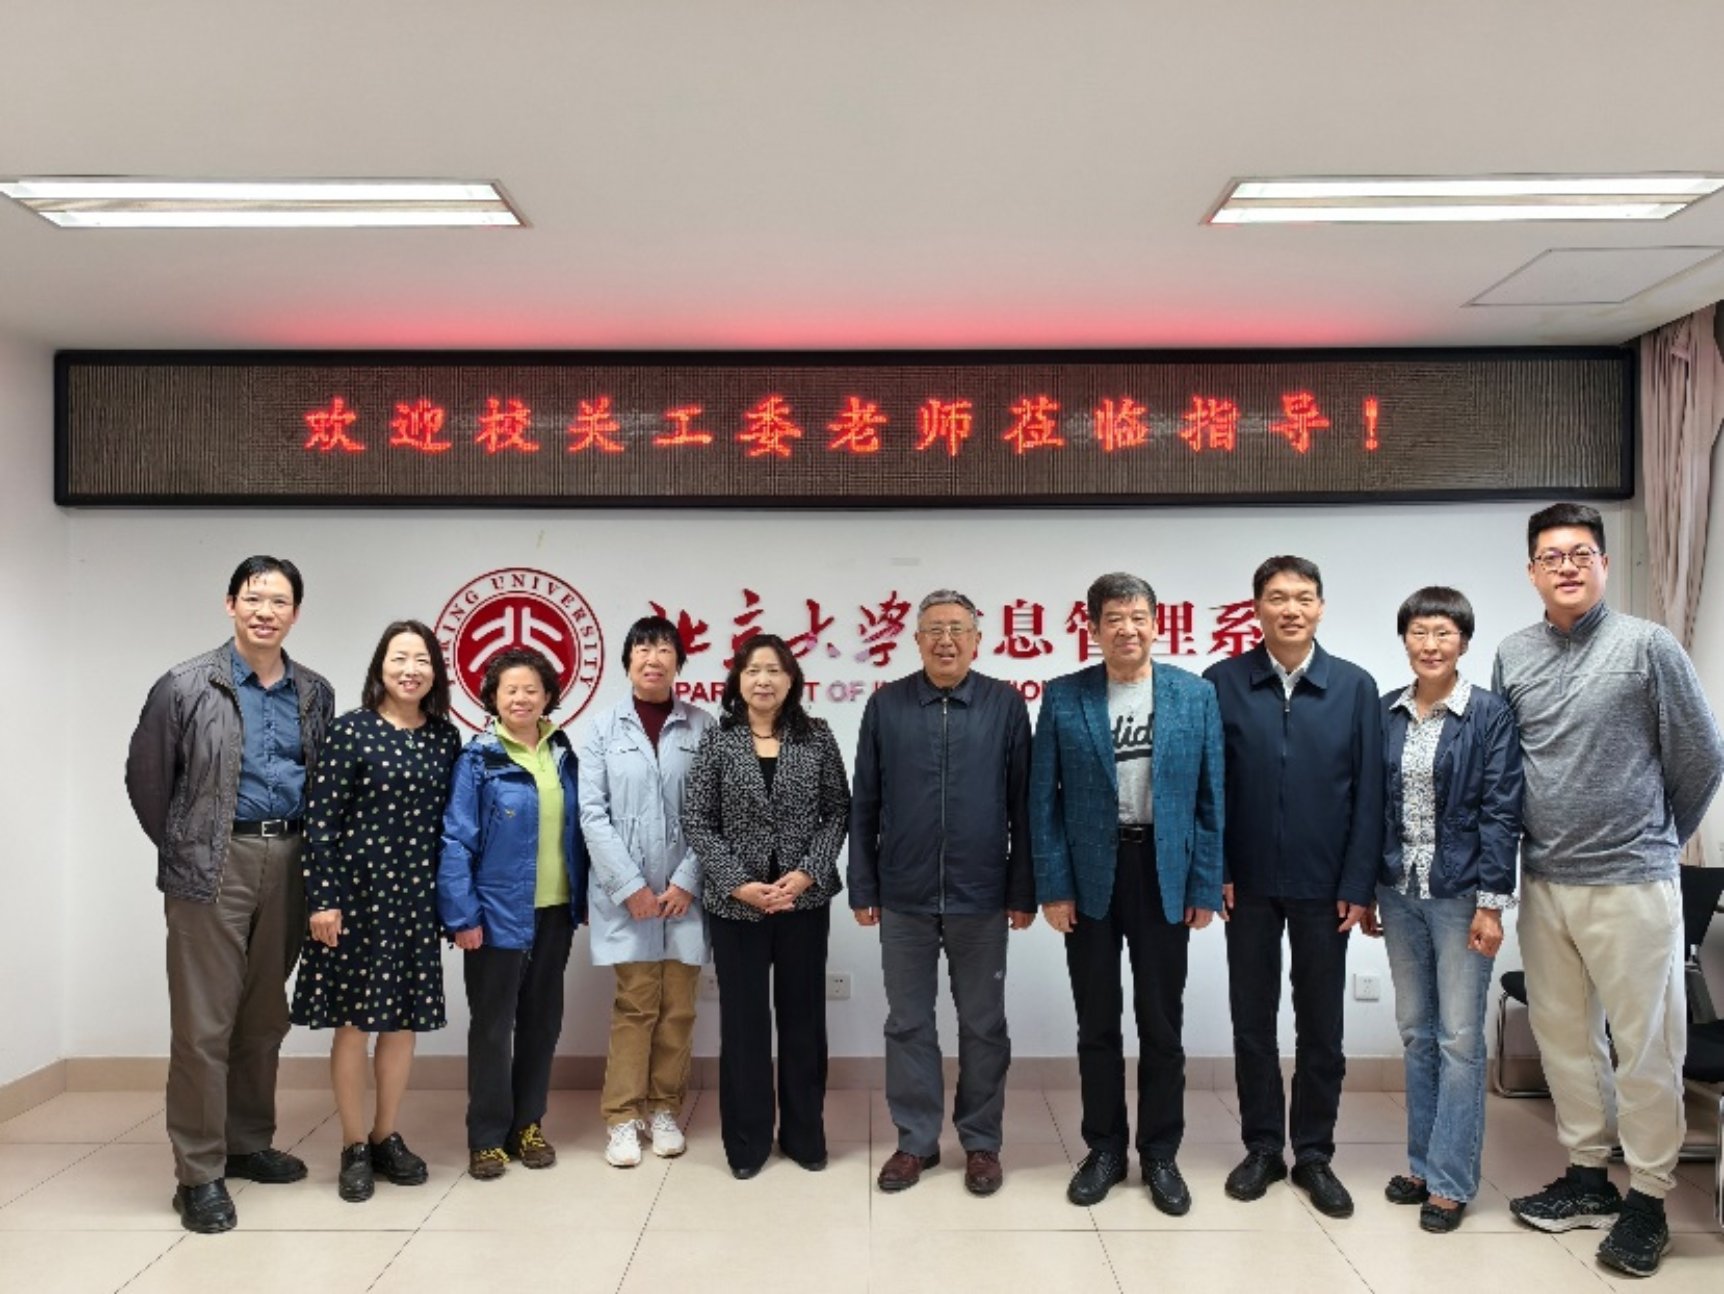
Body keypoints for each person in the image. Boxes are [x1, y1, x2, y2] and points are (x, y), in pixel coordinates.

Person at [1493, 503, 1724, 1277]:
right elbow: (1507, 768)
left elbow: (1701, 756)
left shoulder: (1647, 646)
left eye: (1580, 553)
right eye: (1551, 556)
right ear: (1532, 571)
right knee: (1564, 1039)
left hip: (1632, 883)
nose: (1566, 566)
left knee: (1647, 1045)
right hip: (1545, 881)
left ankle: (1649, 1199)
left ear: (1602, 562)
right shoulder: (1513, 654)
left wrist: (1656, 836)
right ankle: (1588, 1177)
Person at [125, 556, 335, 1234]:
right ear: (230, 605)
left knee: (264, 1014)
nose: (265, 611)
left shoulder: (314, 691)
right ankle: (198, 1172)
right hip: (213, 865)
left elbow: (323, 783)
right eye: (253, 598)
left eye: (279, 601)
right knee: (203, 1024)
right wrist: (190, 844)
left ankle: (247, 1142)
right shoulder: (185, 685)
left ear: (295, 613)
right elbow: (147, 780)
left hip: (292, 859)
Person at [1031, 572, 1224, 1215]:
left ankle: (1161, 1153)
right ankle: (1105, 1149)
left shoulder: (1194, 695)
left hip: (1163, 873)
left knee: (1162, 1023)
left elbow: (1210, 799)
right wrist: (1053, 886)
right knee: (1097, 1021)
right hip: (1090, 874)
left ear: (1156, 624)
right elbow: (1043, 803)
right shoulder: (1064, 696)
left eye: (1138, 616)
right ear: (1093, 628)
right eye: (1114, 618)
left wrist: (1203, 884)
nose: (1127, 628)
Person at [1202, 555, 1383, 1220]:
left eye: (1304, 597)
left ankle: (1313, 1153)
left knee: (1321, 1028)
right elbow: (1208, 787)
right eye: (1278, 597)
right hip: (1245, 883)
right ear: (1256, 608)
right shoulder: (1221, 683)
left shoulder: (1355, 687)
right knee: (1252, 1023)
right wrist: (1216, 868)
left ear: (1321, 607)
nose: (1291, 609)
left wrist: (1358, 880)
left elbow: (1370, 793)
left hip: (1325, 886)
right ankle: (1261, 1149)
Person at [849, 589, 1034, 1197]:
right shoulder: (888, 706)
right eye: (934, 630)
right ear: (917, 640)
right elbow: (865, 802)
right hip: (904, 894)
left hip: (982, 894)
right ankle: (916, 1141)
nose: (946, 640)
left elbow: (1024, 805)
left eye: (957, 629)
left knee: (984, 1024)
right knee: (908, 1022)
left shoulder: (1005, 705)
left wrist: (1022, 888)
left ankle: (981, 1142)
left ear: (977, 640)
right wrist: (863, 884)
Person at [1367, 588, 1522, 1233]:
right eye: (1419, 633)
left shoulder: (1488, 714)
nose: (1430, 645)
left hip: (1462, 897)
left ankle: (1452, 1181)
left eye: (1444, 633)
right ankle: (1421, 1165)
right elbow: (1370, 806)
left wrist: (1492, 904)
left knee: (1459, 1038)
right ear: (1404, 639)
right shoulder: (1385, 712)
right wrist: (1367, 886)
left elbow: (1502, 809)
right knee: (1416, 1030)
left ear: (1464, 642)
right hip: (1398, 891)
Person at [290, 620, 462, 1202]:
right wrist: (324, 899)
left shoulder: (445, 738)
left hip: (415, 899)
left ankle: (386, 1135)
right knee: (354, 1024)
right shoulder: (351, 732)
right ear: (380, 667)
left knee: (402, 1023)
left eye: (422, 659)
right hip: (356, 900)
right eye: (399, 658)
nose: (410, 669)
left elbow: (450, 825)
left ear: (435, 671)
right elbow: (320, 823)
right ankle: (353, 1144)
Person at [683, 634, 851, 1179]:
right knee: (744, 1025)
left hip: (804, 902)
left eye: (775, 670)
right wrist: (738, 883)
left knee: (804, 1021)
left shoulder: (817, 736)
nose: (763, 680)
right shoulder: (718, 739)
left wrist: (805, 874)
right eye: (753, 670)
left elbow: (838, 811)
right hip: (737, 908)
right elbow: (697, 820)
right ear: (738, 680)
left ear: (791, 679)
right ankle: (747, 1142)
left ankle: (804, 1136)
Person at [438, 646, 588, 1181]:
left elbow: (579, 831)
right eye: (510, 690)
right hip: (494, 915)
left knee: (542, 1023)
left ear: (548, 697)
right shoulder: (478, 760)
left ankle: (528, 1125)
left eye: (531, 689)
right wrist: (462, 916)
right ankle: (486, 1137)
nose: (521, 698)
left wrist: (585, 898)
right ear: (493, 698)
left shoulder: (562, 754)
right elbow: (455, 840)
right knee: (493, 1028)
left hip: (554, 911)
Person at [579, 616, 716, 1168]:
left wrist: (687, 881)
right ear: (628, 661)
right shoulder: (602, 728)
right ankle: (621, 1118)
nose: (652, 658)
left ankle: (663, 1110)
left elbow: (713, 811)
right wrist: (630, 887)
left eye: (663, 649)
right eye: (642, 648)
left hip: (685, 896)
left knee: (679, 1008)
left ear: (678, 662)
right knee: (635, 1005)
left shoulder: (702, 725)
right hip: (627, 899)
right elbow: (593, 814)